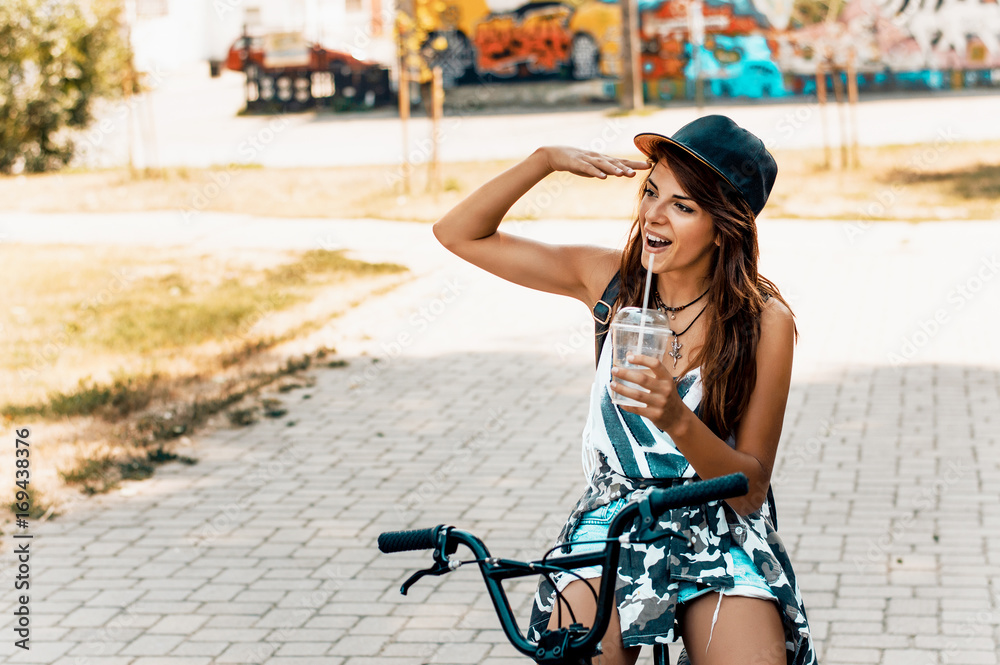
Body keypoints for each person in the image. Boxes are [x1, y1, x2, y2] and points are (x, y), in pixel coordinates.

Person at [432, 115, 817, 665]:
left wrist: (676, 419)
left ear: (725, 225)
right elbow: (458, 233)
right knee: (578, 653)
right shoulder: (610, 282)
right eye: (652, 192)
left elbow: (749, 489)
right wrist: (543, 161)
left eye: (683, 207)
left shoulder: (762, 320)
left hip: (714, 520)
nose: (654, 216)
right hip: (613, 516)